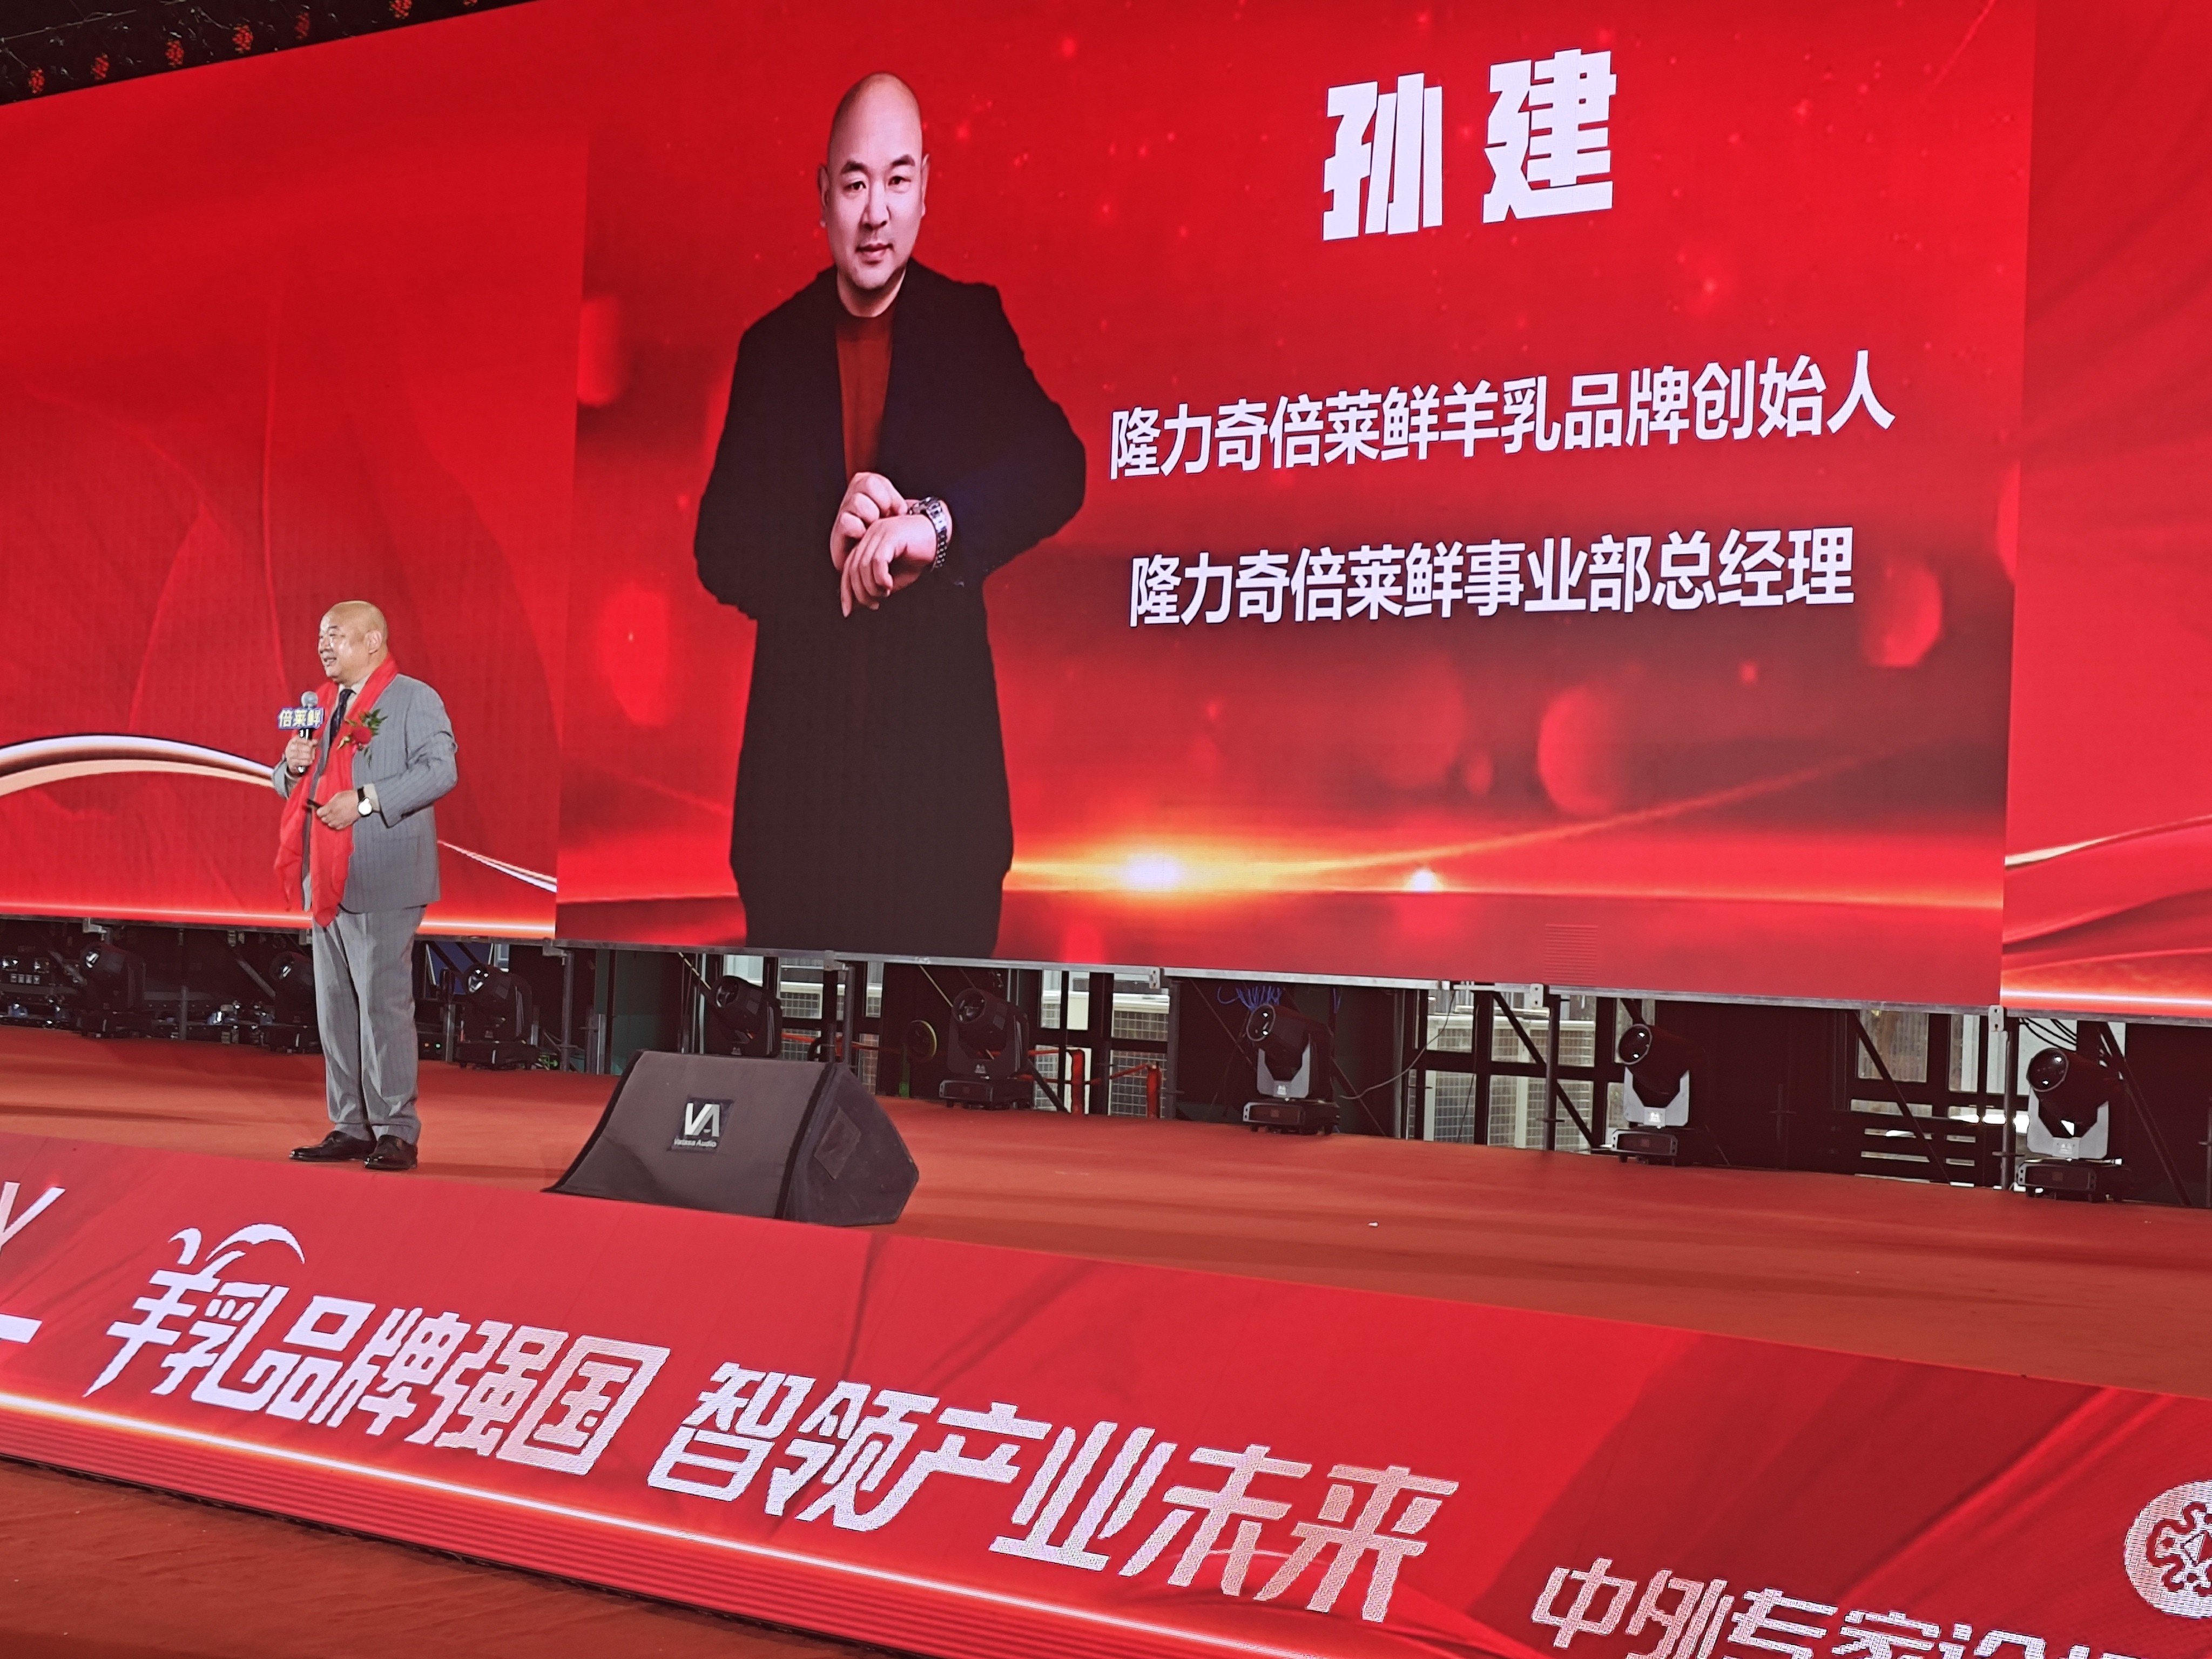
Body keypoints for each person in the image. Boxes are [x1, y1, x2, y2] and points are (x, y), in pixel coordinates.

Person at [694, 71, 1086, 959]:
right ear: (823, 195)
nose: (876, 212)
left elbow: (1059, 466)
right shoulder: (772, 349)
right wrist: (823, 542)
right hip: (797, 810)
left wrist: (936, 526)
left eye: (898, 180)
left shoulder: (970, 324)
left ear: (925, 190)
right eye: (855, 183)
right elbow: (718, 547)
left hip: (940, 810)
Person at [274, 602, 457, 1172]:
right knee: (334, 1007)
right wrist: (291, 764)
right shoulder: (320, 705)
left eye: (336, 635)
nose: (324, 646)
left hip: (384, 873)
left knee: (382, 1004)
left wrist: (367, 800)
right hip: (327, 877)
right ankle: (350, 1124)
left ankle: (396, 1130)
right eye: (321, 636)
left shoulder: (414, 699)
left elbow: (440, 770)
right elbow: (287, 783)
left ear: (373, 640)